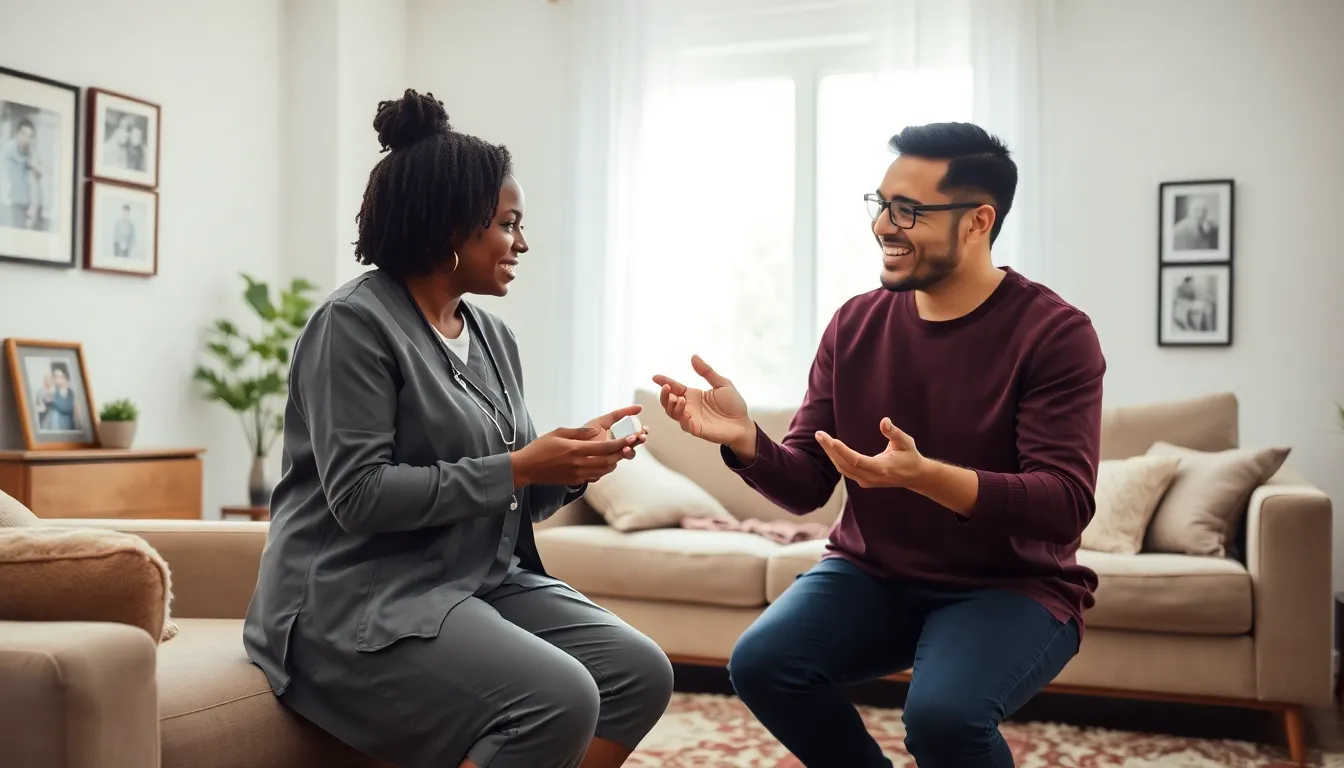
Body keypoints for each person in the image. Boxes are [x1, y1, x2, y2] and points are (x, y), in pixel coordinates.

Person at [243, 89, 674, 768]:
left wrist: (573, 465)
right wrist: (522, 466)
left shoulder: (493, 336)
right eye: (508, 224)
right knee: (558, 697)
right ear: (452, 229)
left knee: (639, 672)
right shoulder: (352, 326)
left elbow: (517, 492)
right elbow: (357, 497)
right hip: (355, 597)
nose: (522, 243)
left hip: (472, 577)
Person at [653, 122, 1106, 767]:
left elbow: (1064, 503)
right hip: (872, 573)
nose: (883, 227)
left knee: (944, 720)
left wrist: (923, 476)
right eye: (881, 204)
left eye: (909, 211)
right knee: (763, 664)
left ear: (978, 221)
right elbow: (809, 484)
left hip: (1010, 586)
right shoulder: (856, 322)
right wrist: (746, 441)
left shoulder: (1055, 334)